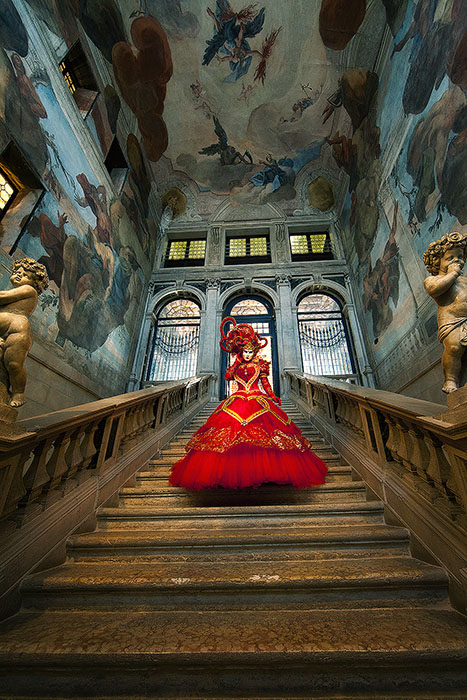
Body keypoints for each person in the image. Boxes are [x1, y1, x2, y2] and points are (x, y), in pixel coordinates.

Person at [169, 317, 328, 490]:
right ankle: (229, 472)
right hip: (236, 400)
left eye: (250, 351)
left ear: (255, 352)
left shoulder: (261, 365)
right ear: (240, 351)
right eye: (244, 351)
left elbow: (265, 383)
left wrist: (272, 395)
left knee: (265, 433)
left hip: (257, 399)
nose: (247, 354)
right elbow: (227, 377)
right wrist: (236, 361)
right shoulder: (235, 365)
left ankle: (267, 472)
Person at [0, 258, 49, 407]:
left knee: (14, 364)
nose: (18, 275)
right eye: (16, 272)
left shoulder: (29, 290)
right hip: (4, 332)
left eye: (25, 274)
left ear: (35, 281)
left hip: (17, 331)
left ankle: (19, 392)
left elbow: (2, 297)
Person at [423, 231, 467, 394]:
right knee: (454, 348)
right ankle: (450, 379)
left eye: (460, 257)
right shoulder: (434, 279)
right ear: (437, 261)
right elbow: (434, 290)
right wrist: (453, 274)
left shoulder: (463, 280)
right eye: (450, 258)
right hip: (451, 320)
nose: (457, 261)